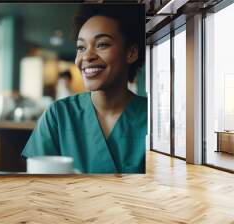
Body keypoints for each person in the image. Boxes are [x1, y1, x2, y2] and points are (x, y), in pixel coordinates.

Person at [22, 5, 146, 174]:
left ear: (131, 53)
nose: (87, 56)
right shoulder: (58, 116)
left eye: (102, 44)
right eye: (81, 48)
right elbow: (38, 187)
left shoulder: (154, 119)